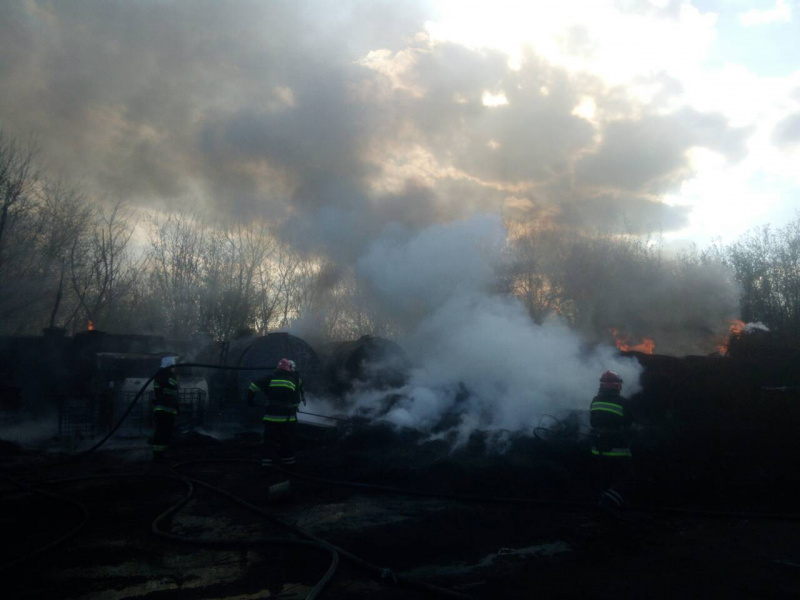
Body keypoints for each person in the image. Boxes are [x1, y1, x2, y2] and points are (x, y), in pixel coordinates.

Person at [247, 358, 306, 468]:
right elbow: (296, 401)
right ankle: (288, 467)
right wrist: (294, 409)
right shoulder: (293, 380)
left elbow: (253, 387)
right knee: (287, 442)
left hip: (271, 417)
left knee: (269, 442)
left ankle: (267, 465)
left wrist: (250, 400)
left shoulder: (269, 377)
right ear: (289, 369)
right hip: (288, 419)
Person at [590, 370, 634, 516]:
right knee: (626, 478)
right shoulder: (623, 403)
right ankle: (607, 504)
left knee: (605, 479)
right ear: (616, 385)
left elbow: (592, 422)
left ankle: (603, 506)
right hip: (618, 450)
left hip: (597, 449)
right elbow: (630, 424)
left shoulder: (595, 400)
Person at [150, 355, 180, 461]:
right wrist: (175, 379)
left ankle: (161, 452)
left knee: (165, 431)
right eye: (173, 365)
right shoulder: (165, 374)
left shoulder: (162, 374)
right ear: (170, 365)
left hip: (167, 408)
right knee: (162, 431)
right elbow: (173, 385)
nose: (174, 368)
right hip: (164, 408)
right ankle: (158, 454)